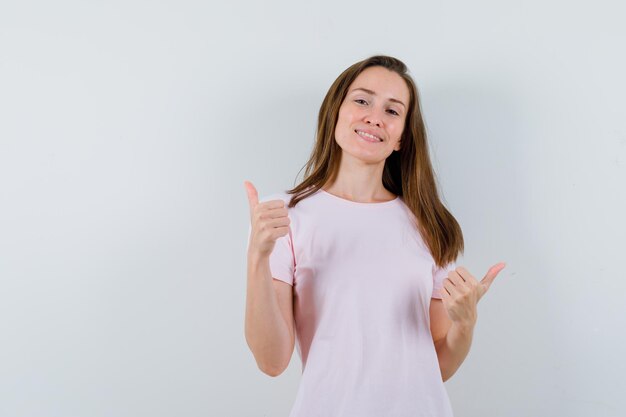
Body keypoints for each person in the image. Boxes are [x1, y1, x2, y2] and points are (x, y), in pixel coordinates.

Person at [244, 55, 506, 417]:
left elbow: (438, 367)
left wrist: (465, 324)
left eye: (393, 111)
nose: (375, 117)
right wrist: (257, 259)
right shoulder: (285, 215)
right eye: (362, 100)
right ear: (336, 111)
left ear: (401, 138)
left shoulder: (429, 225)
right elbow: (271, 361)